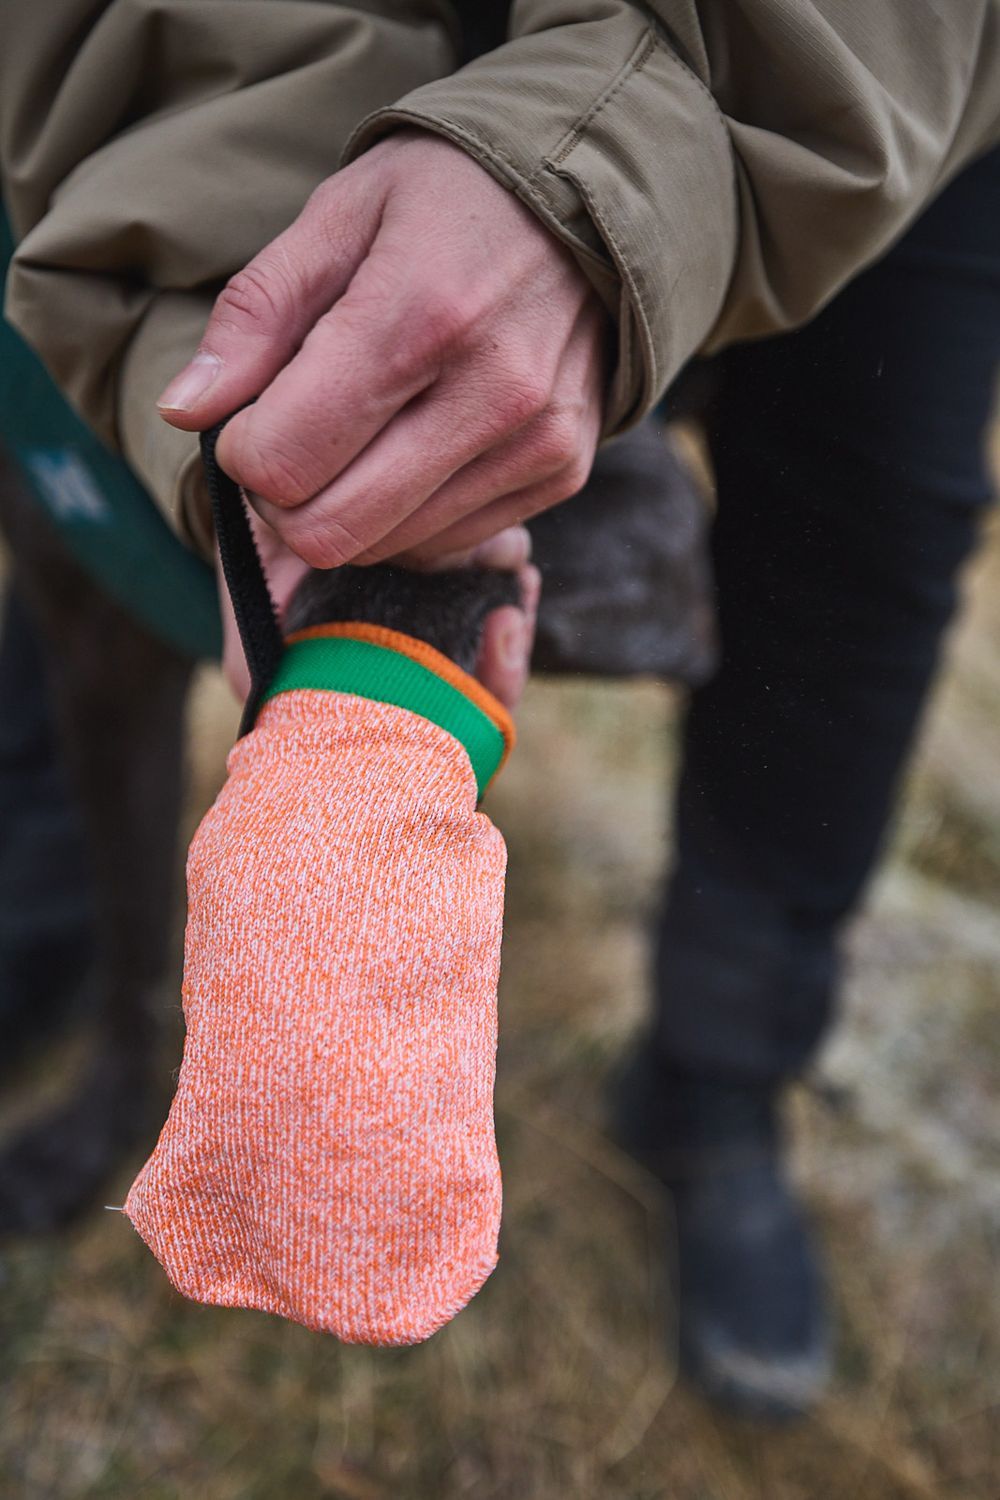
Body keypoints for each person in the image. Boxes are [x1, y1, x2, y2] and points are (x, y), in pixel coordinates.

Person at [2, 0, 999, 1418]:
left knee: (869, 534)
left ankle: (721, 1082)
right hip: (264, 64)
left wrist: (597, 184)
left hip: (877, 69)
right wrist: (252, 300)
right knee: (90, 539)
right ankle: (64, 927)